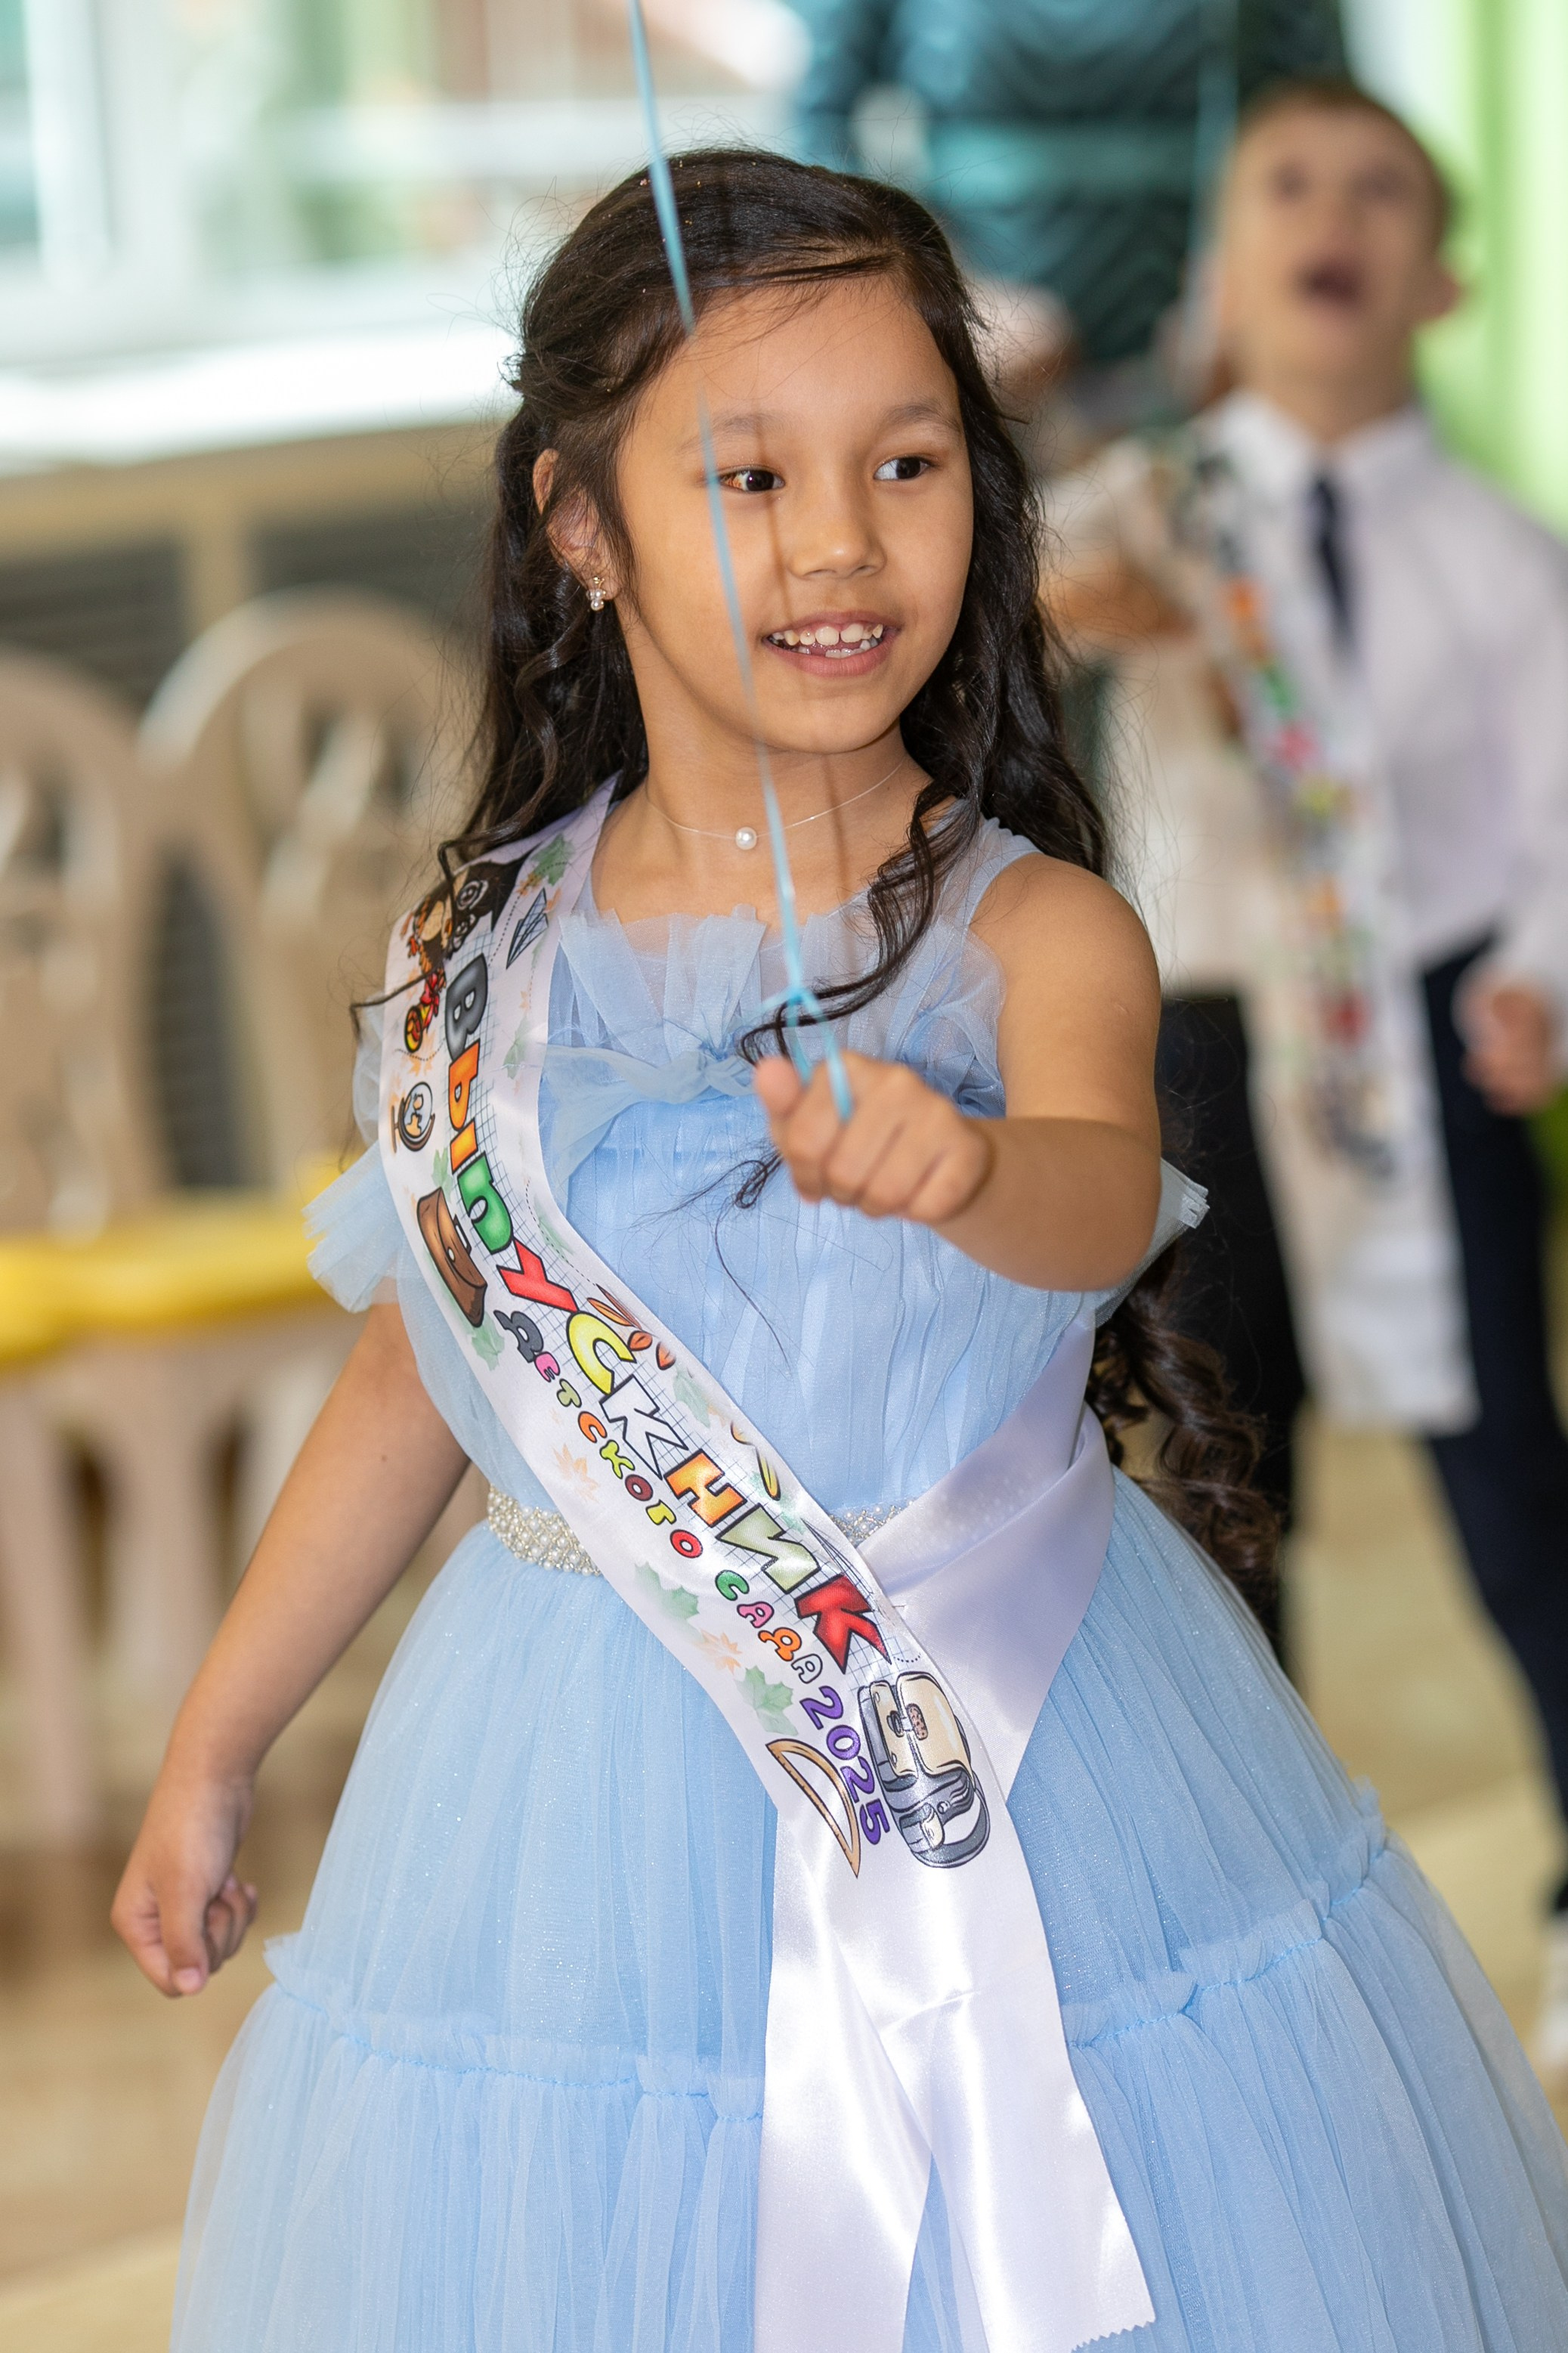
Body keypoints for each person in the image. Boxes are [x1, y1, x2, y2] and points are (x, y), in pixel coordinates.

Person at [111, 150, 1568, 2352]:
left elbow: (1091, 1190)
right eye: (746, 471)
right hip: (582, 1779)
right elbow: (425, 1371)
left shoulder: (1034, 922)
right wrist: (219, 1734)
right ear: (576, 527)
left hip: (1031, 1727)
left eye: (904, 459)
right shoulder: (478, 958)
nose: (836, 539)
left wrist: (963, 1167)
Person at [1046, 77, 1568, 2051]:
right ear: (1219, 271)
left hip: (1424, 1055)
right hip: (1205, 1046)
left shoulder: (1502, 560)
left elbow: (1551, 818)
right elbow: (1011, 606)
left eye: (1375, 188)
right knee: (1218, 1481)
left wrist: (1534, 978)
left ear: (1439, 279)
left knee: (1511, 1476)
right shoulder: (1147, 509)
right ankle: (1254, 1927)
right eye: (1283, 184)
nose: (1329, 214)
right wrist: (1082, 602)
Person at [790, 0, 1346, 407]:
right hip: (981, 359)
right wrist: (947, 297)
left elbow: (1327, 122)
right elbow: (820, 132)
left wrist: (1246, 292)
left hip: (1209, 351)